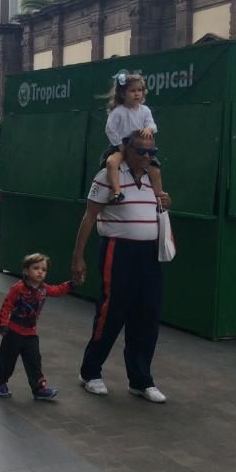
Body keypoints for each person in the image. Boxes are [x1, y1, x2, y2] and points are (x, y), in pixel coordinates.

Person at [71, 131, 170, 404]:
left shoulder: (152, 177)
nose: (148, 157)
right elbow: (90, 216)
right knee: (111, 313)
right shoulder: (107, 176)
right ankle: (90, 372)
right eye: (141, 151)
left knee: (147, 316)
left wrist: (164, 204)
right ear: (126, 149)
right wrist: (78, 257)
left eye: (152, 151)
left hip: (149, 256)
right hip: (119, 251)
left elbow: (158, 208)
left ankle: (141, 380)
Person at [0, 253, 72, 401]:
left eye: (44, 269)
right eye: (36, 268)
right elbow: (6, 306)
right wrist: (3, 324)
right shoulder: (18, 288)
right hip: (13, 332)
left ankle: (39, 389)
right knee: (7, 361)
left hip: (30, 334)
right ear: (26, 271)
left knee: (34, 361)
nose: (40, 271)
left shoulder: (44, 289)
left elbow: (58, 290)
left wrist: (72, 284)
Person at [103, 73, 164, 202]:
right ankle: (117, 192)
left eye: (139, 90)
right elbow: (110, 129)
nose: (137, 94)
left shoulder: (145, 110)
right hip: (122, 145)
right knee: (111, 163)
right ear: (123, 94)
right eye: (132, 91)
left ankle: (159, 194)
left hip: (141, 147)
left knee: (155, 169)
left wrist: (149, 128)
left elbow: (153, 125)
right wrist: (119, 145)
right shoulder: (118, 111)